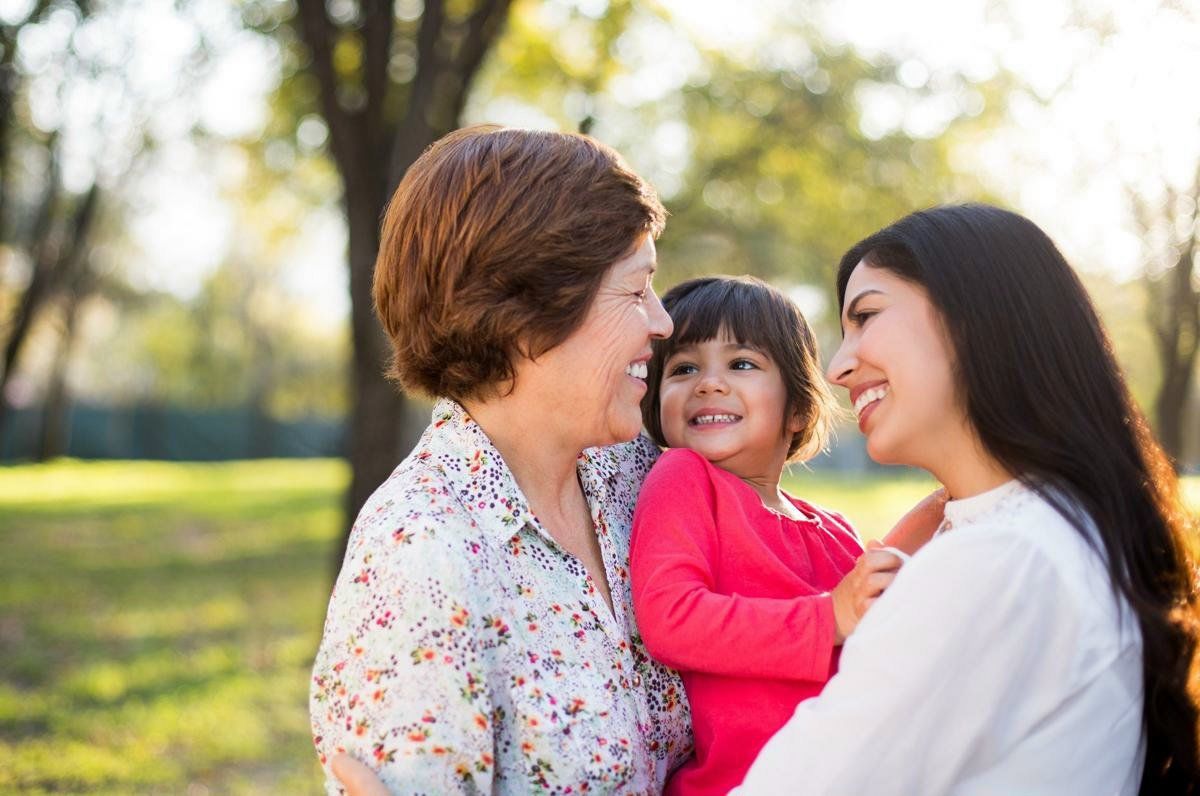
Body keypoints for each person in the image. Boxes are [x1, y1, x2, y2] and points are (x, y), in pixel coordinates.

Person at [734, 203, 1200, 794]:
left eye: (867, 316)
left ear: (975, 318)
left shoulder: (1002, 559)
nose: (837, 367)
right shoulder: (1065, 527)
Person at [309, 125, 692, 794]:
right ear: (528, 312)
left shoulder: (637, 475)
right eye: (635, 292)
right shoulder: (420, 552)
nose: (662, 323)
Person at [629, 276, 921, 796]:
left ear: (798, 410)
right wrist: (828, 617)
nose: (708, 384)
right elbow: (670, 618)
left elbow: (869, 608)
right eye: (683, 368)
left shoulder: (833, 529)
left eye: (741, 364)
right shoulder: (685, 479)